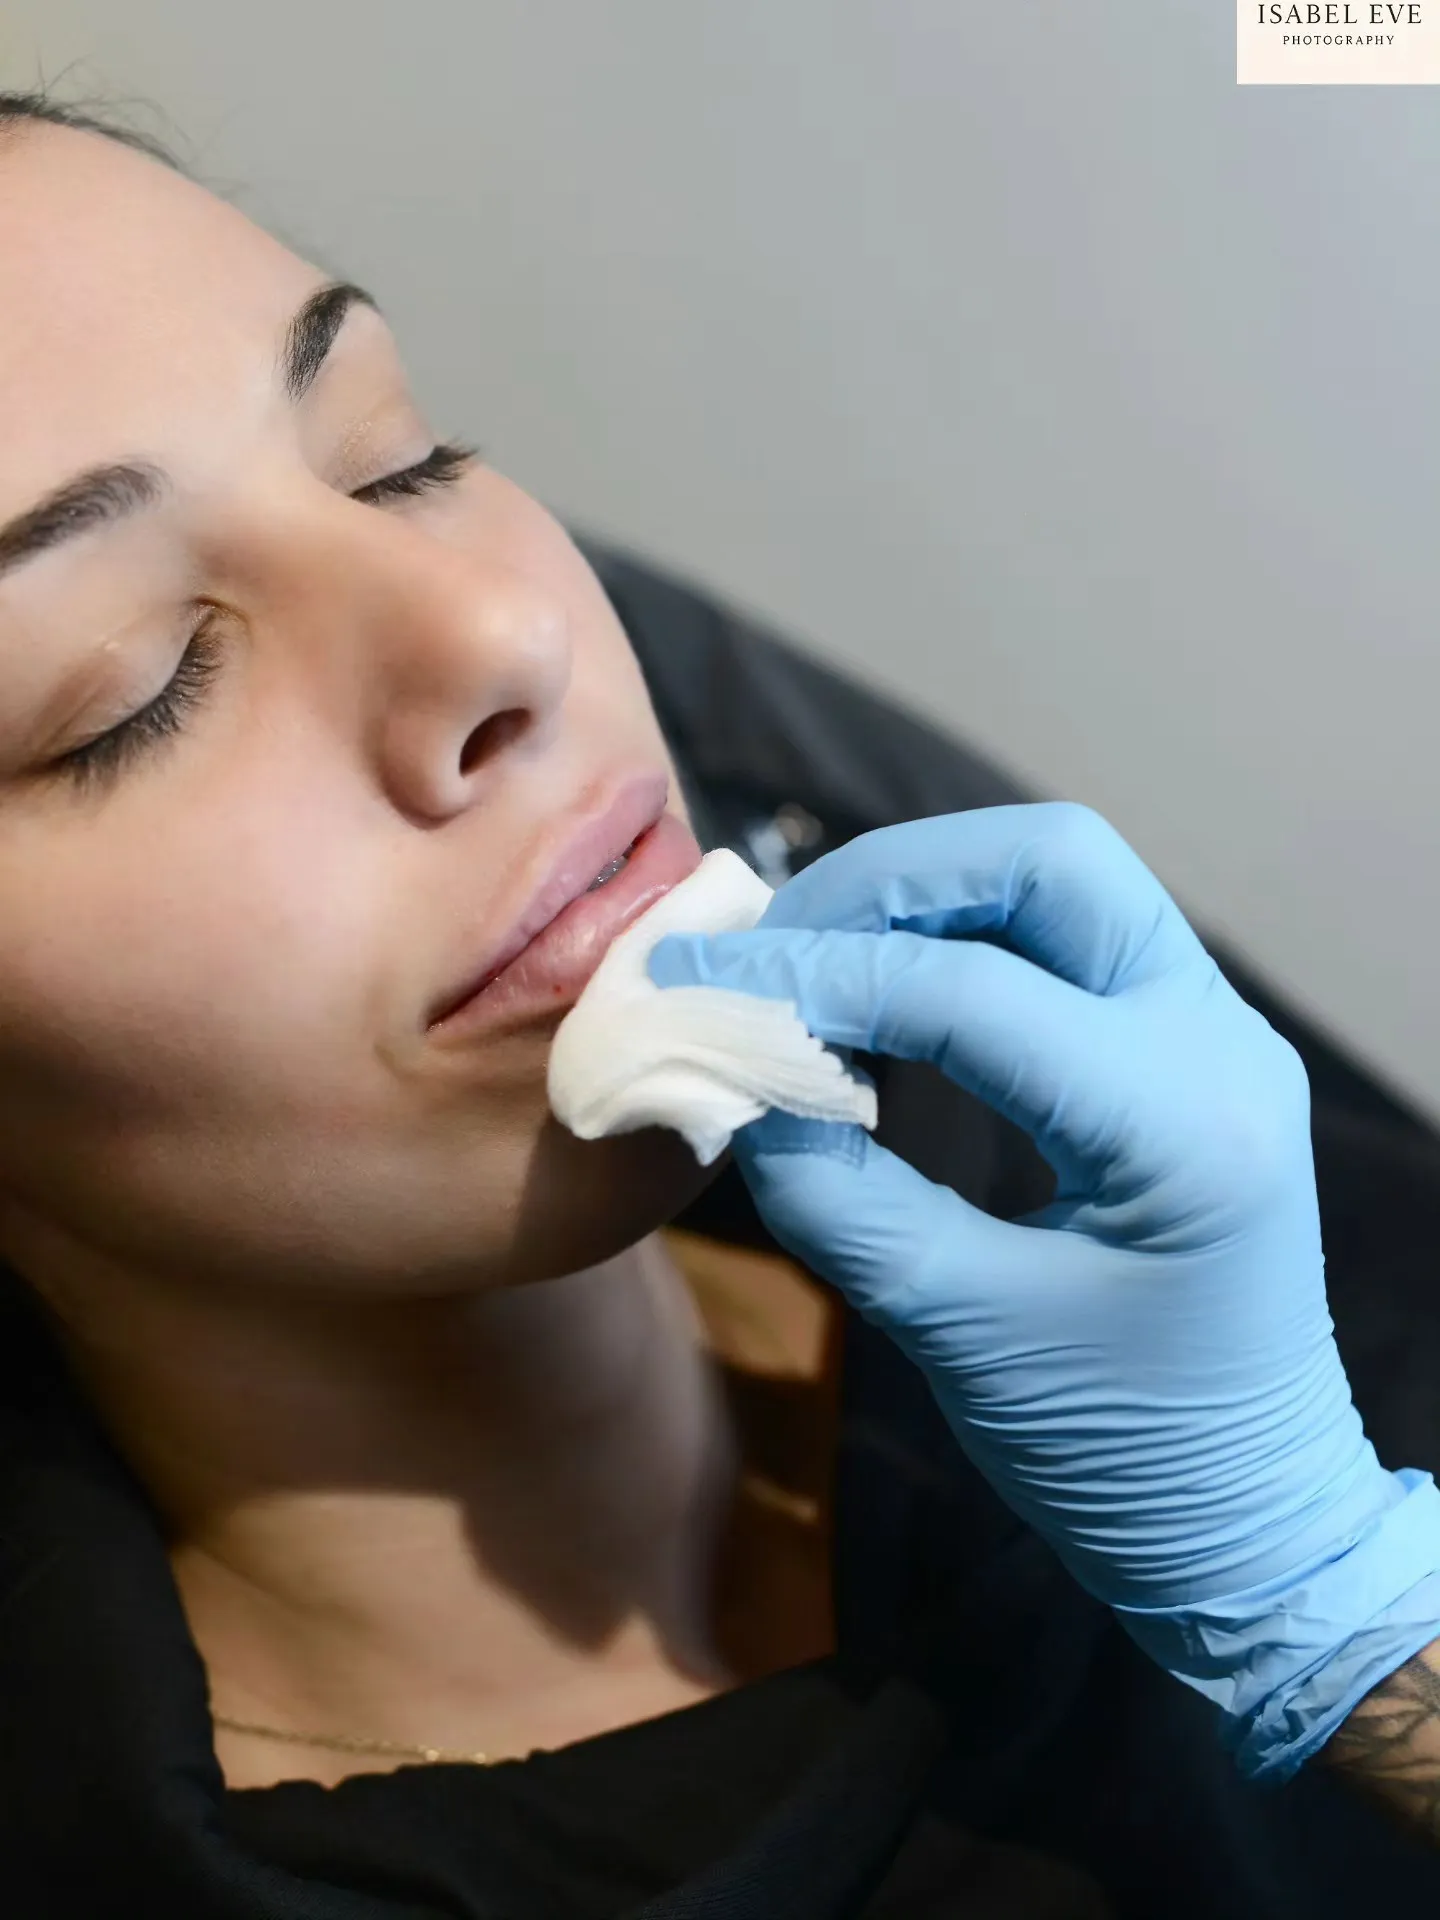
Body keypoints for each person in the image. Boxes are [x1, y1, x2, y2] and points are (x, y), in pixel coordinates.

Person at [1, 88, 1439, 1920]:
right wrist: (1338, 1631)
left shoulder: (1065, 1154)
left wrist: (1339, 1588)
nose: (497, 637)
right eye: (133, 692)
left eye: (395, 459)